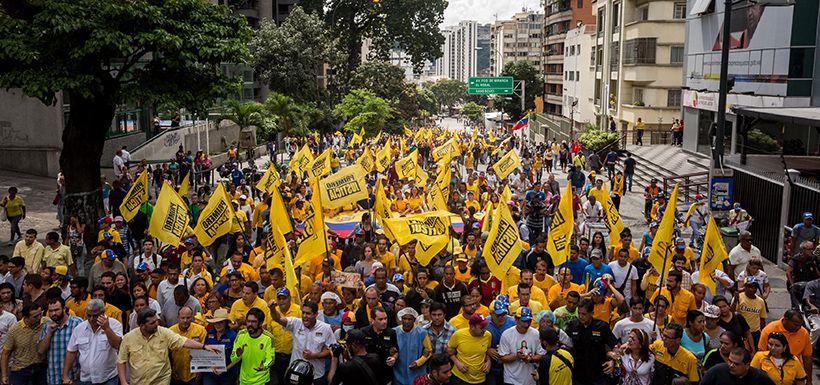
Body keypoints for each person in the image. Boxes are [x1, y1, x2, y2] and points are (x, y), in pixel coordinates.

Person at [117, 308, 218, 385]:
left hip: (161, 381)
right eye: (152, 323)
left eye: (157, 320)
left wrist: (204, 347)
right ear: (142, 326)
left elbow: (184, 342)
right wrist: (123, 382)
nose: (157, 324)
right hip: (138, 382)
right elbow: (121, 361)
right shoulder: (128, 338)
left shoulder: (164, 332)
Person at [269, 300, 337, 385]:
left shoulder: (325, 328)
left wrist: (314, 355)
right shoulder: (296, 323)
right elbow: (278, 319)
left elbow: (332, 350)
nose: (304, 316)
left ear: (316, 315)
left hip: (316, 376)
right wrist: (272, 309)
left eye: (308, 313)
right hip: (295, 375)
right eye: (303, 313)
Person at [63, 299, 123, 385]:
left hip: (108, 379)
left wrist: (107, 329)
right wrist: (65, 376)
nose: (91, 319)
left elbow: (117, 345)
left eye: (95, 316)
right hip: (86, 379)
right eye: (89, 315)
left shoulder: (114, 325)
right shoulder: (79, 329)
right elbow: (71, 352)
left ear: (103, 313)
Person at [565, 299, 618, 385]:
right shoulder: (573, 325)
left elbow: (616, 347)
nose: (581, 316)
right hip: (578, 376)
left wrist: (613, 361)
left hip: (598, 375)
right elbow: (564, 343)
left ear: (592, 314)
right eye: (579, 313)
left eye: (584, 314)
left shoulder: (602, 327)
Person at [37, 297, 83, 385]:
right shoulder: (47, 326)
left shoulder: (78, 323)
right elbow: (40, 351)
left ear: (64, 308)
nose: (53, 313)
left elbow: (85, 349)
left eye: (57, 310)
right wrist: (49, 333)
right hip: (53, 377)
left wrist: (81, 369)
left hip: (73, 376)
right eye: (50, 311)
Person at [758, 310, 812, 381]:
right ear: (786, 319)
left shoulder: (803, 333)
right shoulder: (769, 330)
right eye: (795, 325)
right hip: (771, 374)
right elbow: (761, 354)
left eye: (800, 325)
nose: (798, 328)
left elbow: (807, 357)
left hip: (794, 373)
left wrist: (809, 380)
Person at [498, 307, 545, 385]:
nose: (526, 324)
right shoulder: (507, 335)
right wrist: (517, 356)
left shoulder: (536, 333)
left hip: (530, 379)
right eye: (523, 321)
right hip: (511, 379)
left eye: (529, 321)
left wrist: (531, 359)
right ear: (516, 319)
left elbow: (541, 354)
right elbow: (502, 357)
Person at [1, 304, 46, 385]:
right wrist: (4, 375)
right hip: (20, 370)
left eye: (40, 314)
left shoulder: (45, 323)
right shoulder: (14, 330)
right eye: (35, 316)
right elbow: (5, 354)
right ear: (26, 317)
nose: (39, 318)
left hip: (40, 368)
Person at [230, 308, 274, 385]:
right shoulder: (241, 335)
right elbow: (233, 359)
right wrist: (238, 355)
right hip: (244, 381)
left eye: (254, 322)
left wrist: (264, 366)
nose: (250, 324)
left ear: (260, 323)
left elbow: (271, 359)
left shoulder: (268, 338)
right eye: (248, 321)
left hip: (261, 381)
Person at [446, 314, 491, 385]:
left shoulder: (488, 335)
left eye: (485, 327)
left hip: (480, 379)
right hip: (460, 378)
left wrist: (488, 362)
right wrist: (457, 363)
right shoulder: (458, 335)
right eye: (482, 327)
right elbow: (449, 350)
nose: (484, 330)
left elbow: (487, 351)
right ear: (472, 326)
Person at [393, 308, 432, 385]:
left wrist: (418, 363)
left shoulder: (422, 333)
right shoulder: (394, 332)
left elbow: (429, 351)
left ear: (414, 320)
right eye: (405, 318)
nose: (407, 321)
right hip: (399, 371)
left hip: (417, 372)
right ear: (401, 319)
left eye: (410, 319)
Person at [170, 306, 208, 385]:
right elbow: (167, 353)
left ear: (192, 317)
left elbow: (204, 353)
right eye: (182, 318)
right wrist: (171, 370)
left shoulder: (201, 330)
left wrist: (200, 372)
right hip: (177, 374)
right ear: (178, 317)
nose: (185, 320)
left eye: (188, 318)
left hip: (194, 374)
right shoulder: (170, 331)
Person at [361, 306, 399, 382]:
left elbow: (396, 350)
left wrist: (394, 358)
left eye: (385, 318)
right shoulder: (363, 332)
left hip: (385, 374)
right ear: (372, 320)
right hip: (368, 373)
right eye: (380, 319)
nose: (384, 321)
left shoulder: (391, 332)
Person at [700, 347, 775, 385]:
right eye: (730, 361)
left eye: (736, 364)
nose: (731, 365)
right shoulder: (716, 372)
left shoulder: (760, 378)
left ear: (747, 365)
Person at [202, 309, 238, 385]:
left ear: (226, 323)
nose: (218, 325)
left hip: (228, 375)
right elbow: (204, 350)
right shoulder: (209, 334)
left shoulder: (233, 336)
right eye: (216, 322)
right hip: (210, 374)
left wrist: (225, 369)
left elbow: (238, 357)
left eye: (221, 322)